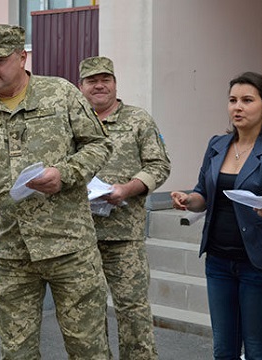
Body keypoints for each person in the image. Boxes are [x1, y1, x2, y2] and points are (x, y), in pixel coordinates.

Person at [0, 24, 113, 359]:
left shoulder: (60, 94)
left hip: (70, 248)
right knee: (16, 352)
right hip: (13, 252)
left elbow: (98, 145)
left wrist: (65, 173)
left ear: (22, 57)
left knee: (88, 348)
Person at [171, 72, 262, 359]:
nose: (237, 107)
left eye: (247, 100)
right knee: (223, 350)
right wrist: (190, 199)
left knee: (257, 351)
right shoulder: (216, 145)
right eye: (232, 100)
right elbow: (203, 194)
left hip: (260, 264)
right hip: (218, 261)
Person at [78, 56, 171, 359]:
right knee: (87, 315)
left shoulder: (138, 120)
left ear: (115, 83)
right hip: (81, 235)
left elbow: (159, 164)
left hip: (124, 235)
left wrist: (128, 188)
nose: (100, 85)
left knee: (133, 311)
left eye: (106, 79)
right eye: (92, 80)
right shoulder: (72, 123)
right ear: (82, 87)